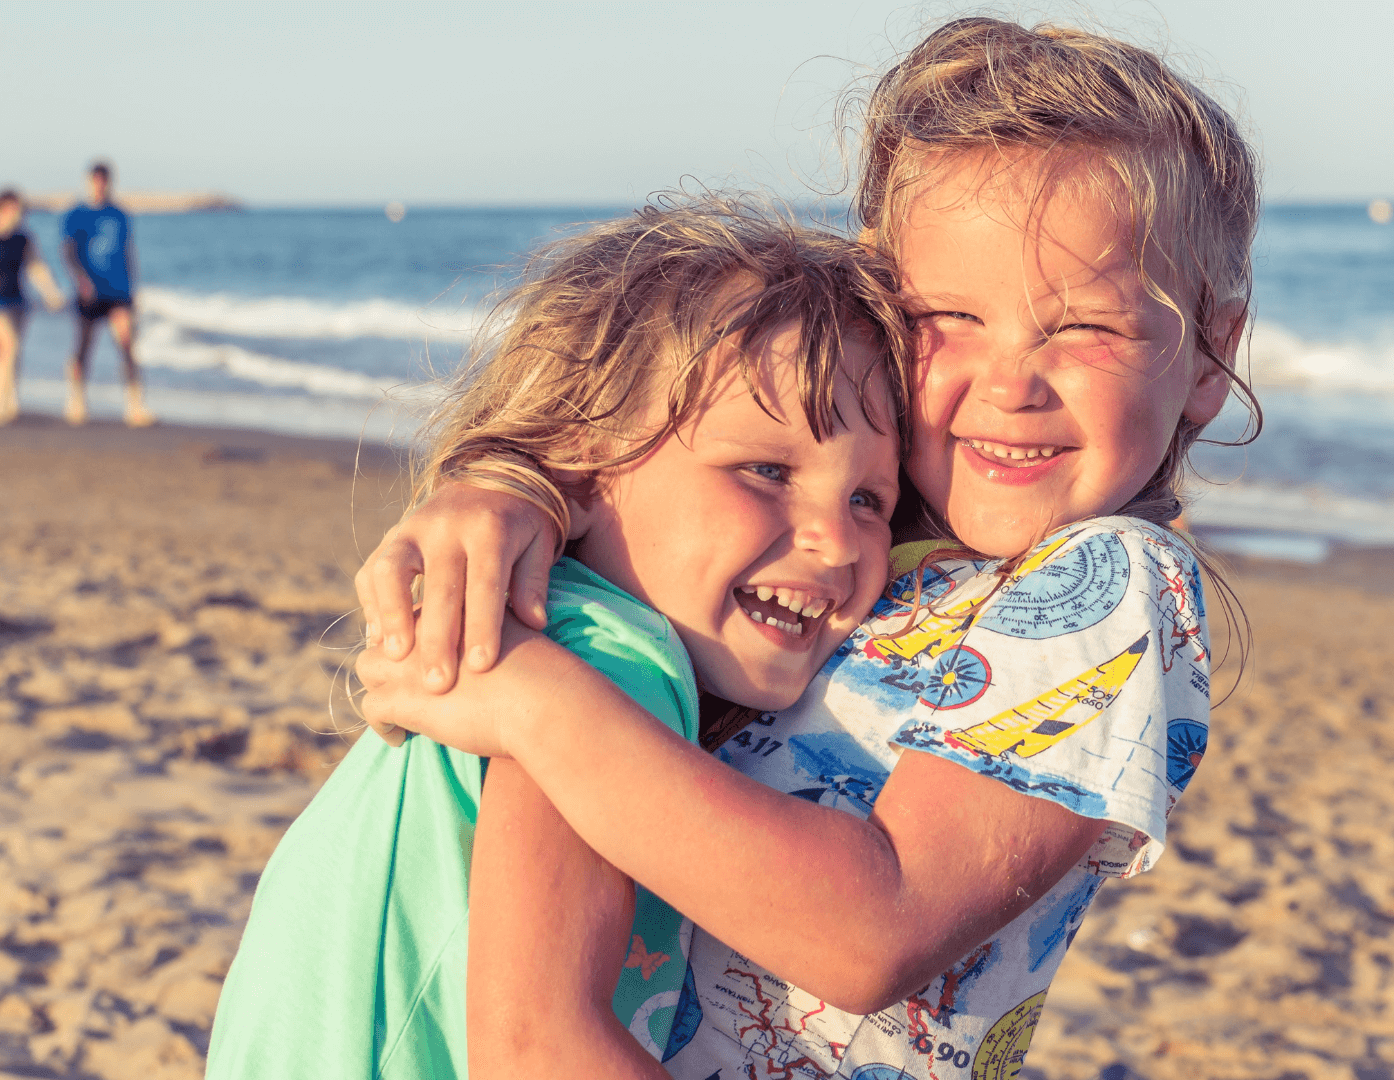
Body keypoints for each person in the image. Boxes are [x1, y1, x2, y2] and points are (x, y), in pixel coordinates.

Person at [353, 17, 1260, 1079]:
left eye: (1085, 329)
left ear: (1211, 356)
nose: (1011, 382)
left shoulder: (1109, 582)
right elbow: (673, 456)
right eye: (948, 316)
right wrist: (520, 492)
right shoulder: (871, 536)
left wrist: (533, 703)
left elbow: (872, 930)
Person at [204, 197, 916, 1080]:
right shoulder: (604, 656)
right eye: (765, 469)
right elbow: (541, 1049)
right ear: (582, 468)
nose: (837, 542)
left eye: (869, 500)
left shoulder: (566, 634)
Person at [60, 160, 152, 426]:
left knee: (127, 344)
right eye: (95, 181)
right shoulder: (76, 215)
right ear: (88, 182)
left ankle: (135, 406)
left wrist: (134, 288)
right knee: (84, 348)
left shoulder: (119, 215)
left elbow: (128, 252)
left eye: (104, 181)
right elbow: (68, 252)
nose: (100, 186)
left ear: (110, 183)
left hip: (119, 291)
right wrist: (81, 279)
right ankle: (76, 401)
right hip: (88, 292)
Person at [0, 188, 68, 425]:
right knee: (10, 346)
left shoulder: (24, 238)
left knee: (13, 353)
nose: (20, 214)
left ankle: (11, 399)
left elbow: (36, 267)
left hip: (17, 301)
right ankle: (3, 402)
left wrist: (52, 293)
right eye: (16, 209)